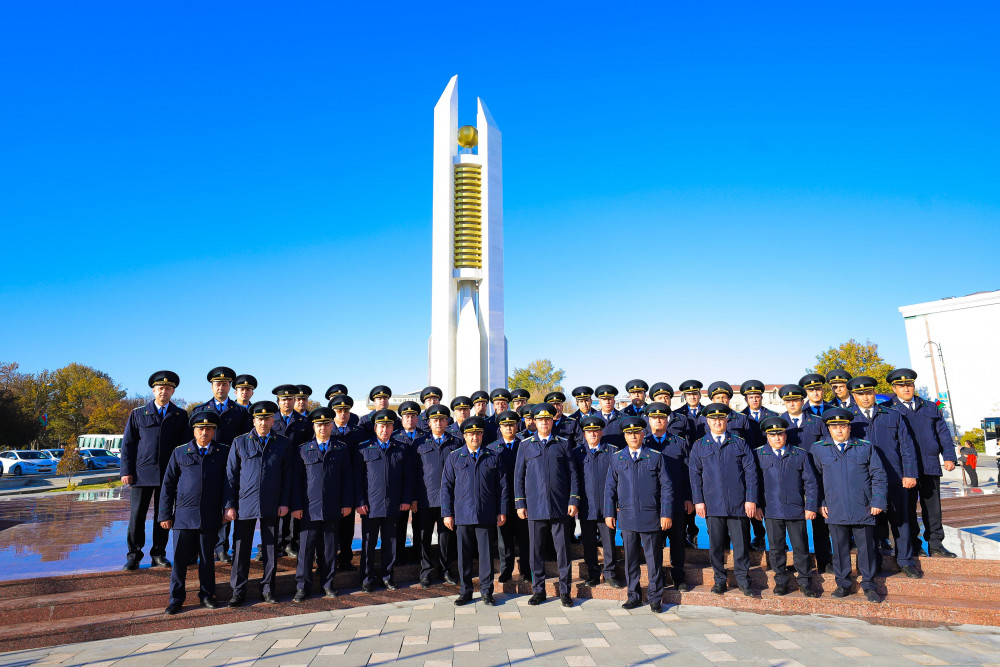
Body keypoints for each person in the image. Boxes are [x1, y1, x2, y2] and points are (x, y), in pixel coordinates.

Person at [847, 376, 921, 577]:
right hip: (864, 481)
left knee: (901, 521)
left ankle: (905, 561)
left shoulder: (893, 415)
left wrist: (909, 473)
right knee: (869, 523)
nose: (865, 397)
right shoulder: (848, 419)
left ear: (874, 393)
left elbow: (907, 446)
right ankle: (874, 560)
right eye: (860, 394)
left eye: (869, 393)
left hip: (894, 476)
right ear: (854, 396)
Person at [812, 407, 887, 603]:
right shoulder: (818, 449)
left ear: (849, 428)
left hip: (863, 506)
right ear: (829, 429)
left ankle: (869, 585)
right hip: (834, 507)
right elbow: (814, 480)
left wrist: (878, 500)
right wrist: (820, 502)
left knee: (867, 549)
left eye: (843, 426)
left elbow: (878, 475)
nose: (839, 430)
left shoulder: (865, 447)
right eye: (834, 427)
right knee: (839, 549)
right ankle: (843, 584)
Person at [883, 368, 959, 558]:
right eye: (901, 386)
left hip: (929, 465)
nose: (906, 389)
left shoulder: (930, 407)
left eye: (909, 385)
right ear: (894, 388)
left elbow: (943, 433)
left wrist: (949, 456)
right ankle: (915, 545)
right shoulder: (888, 409)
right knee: (907, 509)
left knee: (933, 508)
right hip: (905, 469)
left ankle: (936, 544)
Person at [159, 411, 229, 614]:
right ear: (194, 431)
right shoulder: (180, 452)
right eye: (200, 429)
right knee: (180, 561)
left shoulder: (223, 451)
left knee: (207, 559)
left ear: (214, 431)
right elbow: (168, 485)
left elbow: (229, 483)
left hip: (210, 516)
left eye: (208, 429)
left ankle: (206, 595)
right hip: (183, 517)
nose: (204, 432)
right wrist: (165, 514)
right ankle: (176, 599)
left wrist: (227, 507)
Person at [121, 370, 192, 571]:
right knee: (137, 516)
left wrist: (183, 473)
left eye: (168, 388)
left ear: (173, 391)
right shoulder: (138, 413)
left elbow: (184, 447)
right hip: (142, 474)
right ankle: (134, 555)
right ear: (153, 390)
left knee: (164, 515)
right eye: (160, 388)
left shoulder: (180, 415)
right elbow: (129, 444)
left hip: (168, 475)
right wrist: (126, 471)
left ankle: (158, 554)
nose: (164, 391)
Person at [225, 401, 294, 606]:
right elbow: (230, 476)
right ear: (254, 420)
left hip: (272, 502)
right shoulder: (239, 442)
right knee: (241, 549)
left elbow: (287, 476)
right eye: (259, 419)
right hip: (245, 503)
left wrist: (284, 502)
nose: (263, 422)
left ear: (273, 420)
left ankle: (268, 589)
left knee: (270, 548)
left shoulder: (283, 443)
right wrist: (230, 504)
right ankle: (238, 591)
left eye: (267, 419)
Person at [689, 403, 758, 597]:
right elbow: (694, 475)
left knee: (741, 545)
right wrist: (698, 501)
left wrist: (751, 499)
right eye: (713, 419)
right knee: (716, 546)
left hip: (739, 504)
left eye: (721, 419)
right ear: (707, 421)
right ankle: (719, 580)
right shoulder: (699, 445)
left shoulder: (739, 443)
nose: (717, 422)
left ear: (727, 420)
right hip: (713, 504)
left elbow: (751, 472)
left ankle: (743, 580)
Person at [514, 403, 580, 607]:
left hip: (559, 506)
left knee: (563, 552)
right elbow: (518, 476)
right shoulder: (526, 445)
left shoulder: (563, 444)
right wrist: (520, 503)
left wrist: (573, 499)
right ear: (534, 422)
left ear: (552, 421)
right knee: (536, 552)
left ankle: (565, 591)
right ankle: (538, 590)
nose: (544, 423)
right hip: (535, 507)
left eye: (548, 419)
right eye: (540, 420)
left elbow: (573, 474)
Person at [605, 416, 673, 612]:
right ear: (625, 436)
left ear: (644, 434)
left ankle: (655, 597)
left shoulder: (655, 456)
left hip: (650, 516)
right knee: (631, 561)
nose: (633, 436)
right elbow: (610, 487)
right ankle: (633, 596)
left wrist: (666, 513)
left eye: (637, 433)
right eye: (629, 433)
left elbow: (667, 487)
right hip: (627, 517)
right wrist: (609, 512)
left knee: (654, 561)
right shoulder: (617, 458)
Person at [440, 416, 509, 606]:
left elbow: (502, 487)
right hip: (462, 515)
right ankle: (465, 591)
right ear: (464, 436)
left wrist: (502, 511)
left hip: (486, 514)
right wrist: (447, 513)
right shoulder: (454, 457)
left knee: (486, 556)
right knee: (464, 557)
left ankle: (487, 591)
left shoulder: (492, 456)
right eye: (470, 434)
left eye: (478, 433)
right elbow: (446, 487)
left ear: (482, 435)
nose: (474, 437)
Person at [291, 407, 354, 601]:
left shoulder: (341, 448)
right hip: (309, 509)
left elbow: (347, 478)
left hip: (332, 507)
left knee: (329, 550)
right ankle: (303, 587)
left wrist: (346, 503)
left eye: (326, 424)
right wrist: (296, 505)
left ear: (331, 425)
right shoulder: (303, 449)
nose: (323, 428)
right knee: (306, 551)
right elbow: (296, 481)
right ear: (314, 426)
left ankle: (328, 584)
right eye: (319, 425)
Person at [753, 416, 819, 597]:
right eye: (772, 435)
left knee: (800, 547)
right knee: (776, 548)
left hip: (796, 509)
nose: (777, 438)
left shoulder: (800, 454)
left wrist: (811, 506)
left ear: (785, 435)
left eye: (780, 434)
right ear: (767, 436)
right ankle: (781, 581)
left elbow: (811, 483)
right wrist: (756, 505)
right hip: (771, 509)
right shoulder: (758, 454)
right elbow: (753, 482)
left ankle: (805, 581)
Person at [192, 366, 251, 564]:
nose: (221, 387)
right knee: (203, 505)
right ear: (212, 387)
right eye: (217, 384)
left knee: (228, 505)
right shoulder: (200, 411)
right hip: (205, 465)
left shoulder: (240, 412)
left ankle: (222, 548)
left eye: (225, 384)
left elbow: (245, 440)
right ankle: (201, 547)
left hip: (229, 466)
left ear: (230, 387)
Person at [354, 409, 413, 592]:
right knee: (368, 544)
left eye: (388, 426)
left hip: (393, 504)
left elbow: (407, 477)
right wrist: (360, 501)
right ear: (375, 428)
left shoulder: (401, 448)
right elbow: (357, 479)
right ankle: (367, 578)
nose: (385, 430)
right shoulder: (363, 448)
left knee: (390, 544)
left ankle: (387, 577)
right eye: (381, 426)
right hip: (370, 505)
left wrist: (405, 499)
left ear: (393, 428)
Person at [778, 384, 832, 574]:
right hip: (789, 479)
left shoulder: (817, 421)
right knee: (794, 524)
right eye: (788, 401)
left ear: (803, 401)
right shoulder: (779, 422)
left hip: (816, 475)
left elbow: (826, 447)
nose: (792, 404)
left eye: (795, 400)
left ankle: (824, 560)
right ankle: (799, 562)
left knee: (820, 520)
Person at [644, 402, 693, 591]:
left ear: (667, 420)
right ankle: (658, 576)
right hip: (652, 503)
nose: (658, 420)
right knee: (655, 543)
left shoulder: (679, 442)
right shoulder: (643, 443)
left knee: (678, 542)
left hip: (676, 501)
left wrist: (688, 497)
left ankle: (678, 577)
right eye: (654, 418)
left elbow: (688, 472)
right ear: (649, 421)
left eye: (662, 417)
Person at [413, 404, 462, 587]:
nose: (438, 423)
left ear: (447, 421)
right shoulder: (419, 443)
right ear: (429, 423)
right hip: (425, 499)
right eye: (435, 420)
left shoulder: (455, 443)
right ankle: (425, 571)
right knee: (423, 537)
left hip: (448, 499)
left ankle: (445, 570)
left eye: (442, 420)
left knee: (446, 537)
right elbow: (413, 473)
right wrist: (413, 498)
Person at [572, 415, 621, 588]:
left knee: (609, 542)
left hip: (607, 506)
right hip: (586, 506)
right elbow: (574, 479)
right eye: (589, 431)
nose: (593, 434)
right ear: (584, 434)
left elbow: (618, 479)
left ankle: (610, 573)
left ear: (601, 432)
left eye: (596, 431)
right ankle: (593, 573)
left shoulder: (612, 451)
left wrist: (616, 503)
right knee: (589, 543)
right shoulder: (577, 453)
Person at [488, 409, 531, 583]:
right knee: (504, 538)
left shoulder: (525, 445)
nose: (508, 428)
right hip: (503, 500)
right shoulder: (492, 448)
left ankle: (526, 570)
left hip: (524, 499)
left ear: (517, 426)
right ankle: (506, 570)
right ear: (500, 428)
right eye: (505, 425)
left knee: (525, 536)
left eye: (512, 425)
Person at [272, 384, 311, 559]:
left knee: (294, 505)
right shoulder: (271, 419)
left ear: (294, 400)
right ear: (278, 401)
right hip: (276, 470)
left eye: (289, 399)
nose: (286, 402)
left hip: (296, 469)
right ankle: (274, 543)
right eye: (283, 399)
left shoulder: (304, 422)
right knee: (275, 507)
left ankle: (290, 543)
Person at [328, 394, 363, 571]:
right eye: (339, 410)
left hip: (351, 481)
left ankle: (346, 559)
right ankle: (329, 560)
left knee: (348, 526)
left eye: (346, 411)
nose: (342, 414)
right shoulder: (326, 429)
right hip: (331, 482)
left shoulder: (358, 432)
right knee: (330, 526)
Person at [392, 400, 424, 563]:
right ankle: (399, 557)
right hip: (400, 489)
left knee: (420, 526)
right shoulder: (394, 436)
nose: (410, 419)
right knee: (399, 525)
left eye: (413, 416)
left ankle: (418, 557)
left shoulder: (425, 437)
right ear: (402, 419)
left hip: (421, 487)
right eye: (406, 417)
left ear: (417, 418)